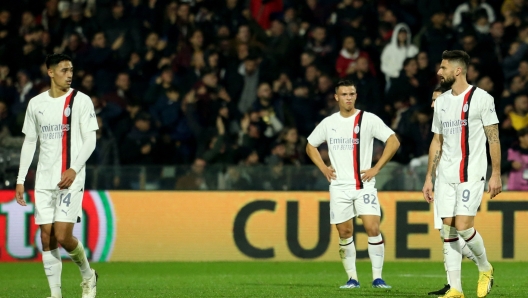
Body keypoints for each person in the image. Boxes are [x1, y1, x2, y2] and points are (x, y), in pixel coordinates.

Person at [14, 53, 99, 298]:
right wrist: (21, 179)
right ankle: (55, 294)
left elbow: (91, 140)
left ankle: (87, 275)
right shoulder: (36, 104)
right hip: (43, 179)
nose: (70, 74)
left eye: (71, 69)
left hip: (70, 178)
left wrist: (74, 168)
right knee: (46, 236)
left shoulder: (81, 101)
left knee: (63, 235)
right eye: (64, 70)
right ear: (50, 72)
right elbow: (30, 142)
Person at [306, 80, 400, 289]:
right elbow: (310, 145)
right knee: (345, 233)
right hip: (339, 187)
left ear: (356, 96)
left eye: (352, 94)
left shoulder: (368, 119)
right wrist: (323, 168)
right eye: (344, 94)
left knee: (372, 227)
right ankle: (352, 278)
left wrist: (377, 168)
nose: (348, 97)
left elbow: (393, 141)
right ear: (336, 97)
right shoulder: (329, 123)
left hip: (363, 185)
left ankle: (378, 277)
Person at [423, 50, 501, 298]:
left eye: (443, 68)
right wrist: (429, 177)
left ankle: (485, 267)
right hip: (445, 175)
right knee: (448, 229)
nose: (439, 72)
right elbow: (437, 141)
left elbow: (493, 138)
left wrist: (496, 173)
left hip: (471, 173)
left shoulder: (482, 99)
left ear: (457, 71)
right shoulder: (442, 102)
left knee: (464, 227)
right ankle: (456, 289)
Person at [427, 87, 478, 296]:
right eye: (432, 100)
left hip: (458, 178)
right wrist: (429, 178)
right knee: (445, 233)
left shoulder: (457, 123)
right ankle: (452, 283)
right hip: (441, 179)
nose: (433, 104)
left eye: (436, 99)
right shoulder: (439, 125)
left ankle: (481, 263)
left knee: (453, 230)